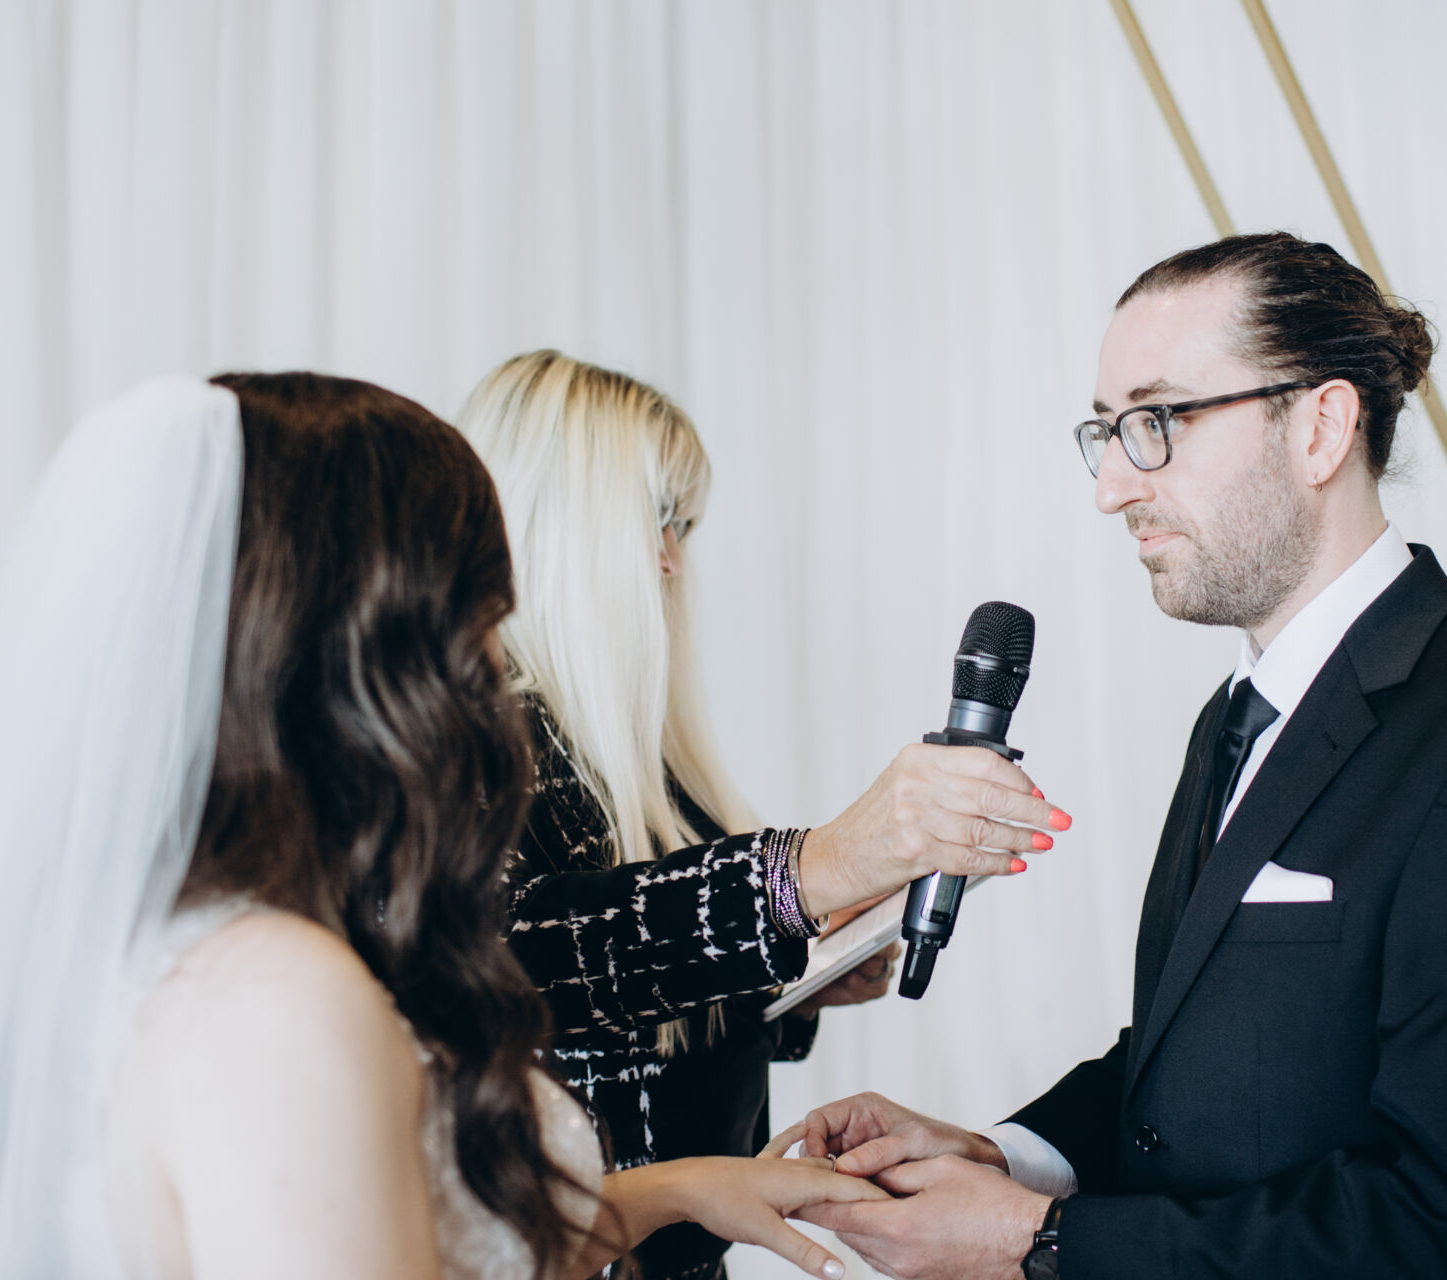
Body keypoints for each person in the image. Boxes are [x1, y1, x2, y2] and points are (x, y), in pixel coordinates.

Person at [773, 233, 1447, 1279]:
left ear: (1320, 428)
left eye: (1157, 423)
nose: (1112, 487)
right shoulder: (1237, 715)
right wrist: (1000, 1155)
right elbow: (1200, 1059)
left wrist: (1034, 1239)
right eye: (1106, 431)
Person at [0, 373, 883, 1280]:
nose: (494, 667)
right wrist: (808, 872)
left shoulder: (221, 947)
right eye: (481, 618)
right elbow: (533, 948)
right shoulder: (283, 1001)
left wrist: (681, 1187)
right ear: (370, 653)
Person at [455, 350, 1070, 1280]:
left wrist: (798, 975)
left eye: (684, 527)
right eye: (656, 519)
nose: (672, 560)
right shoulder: (469, 748)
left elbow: (640, 1002)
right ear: (554, 523)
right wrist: (809, 871)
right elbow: (521, 959)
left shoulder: (651, 769)